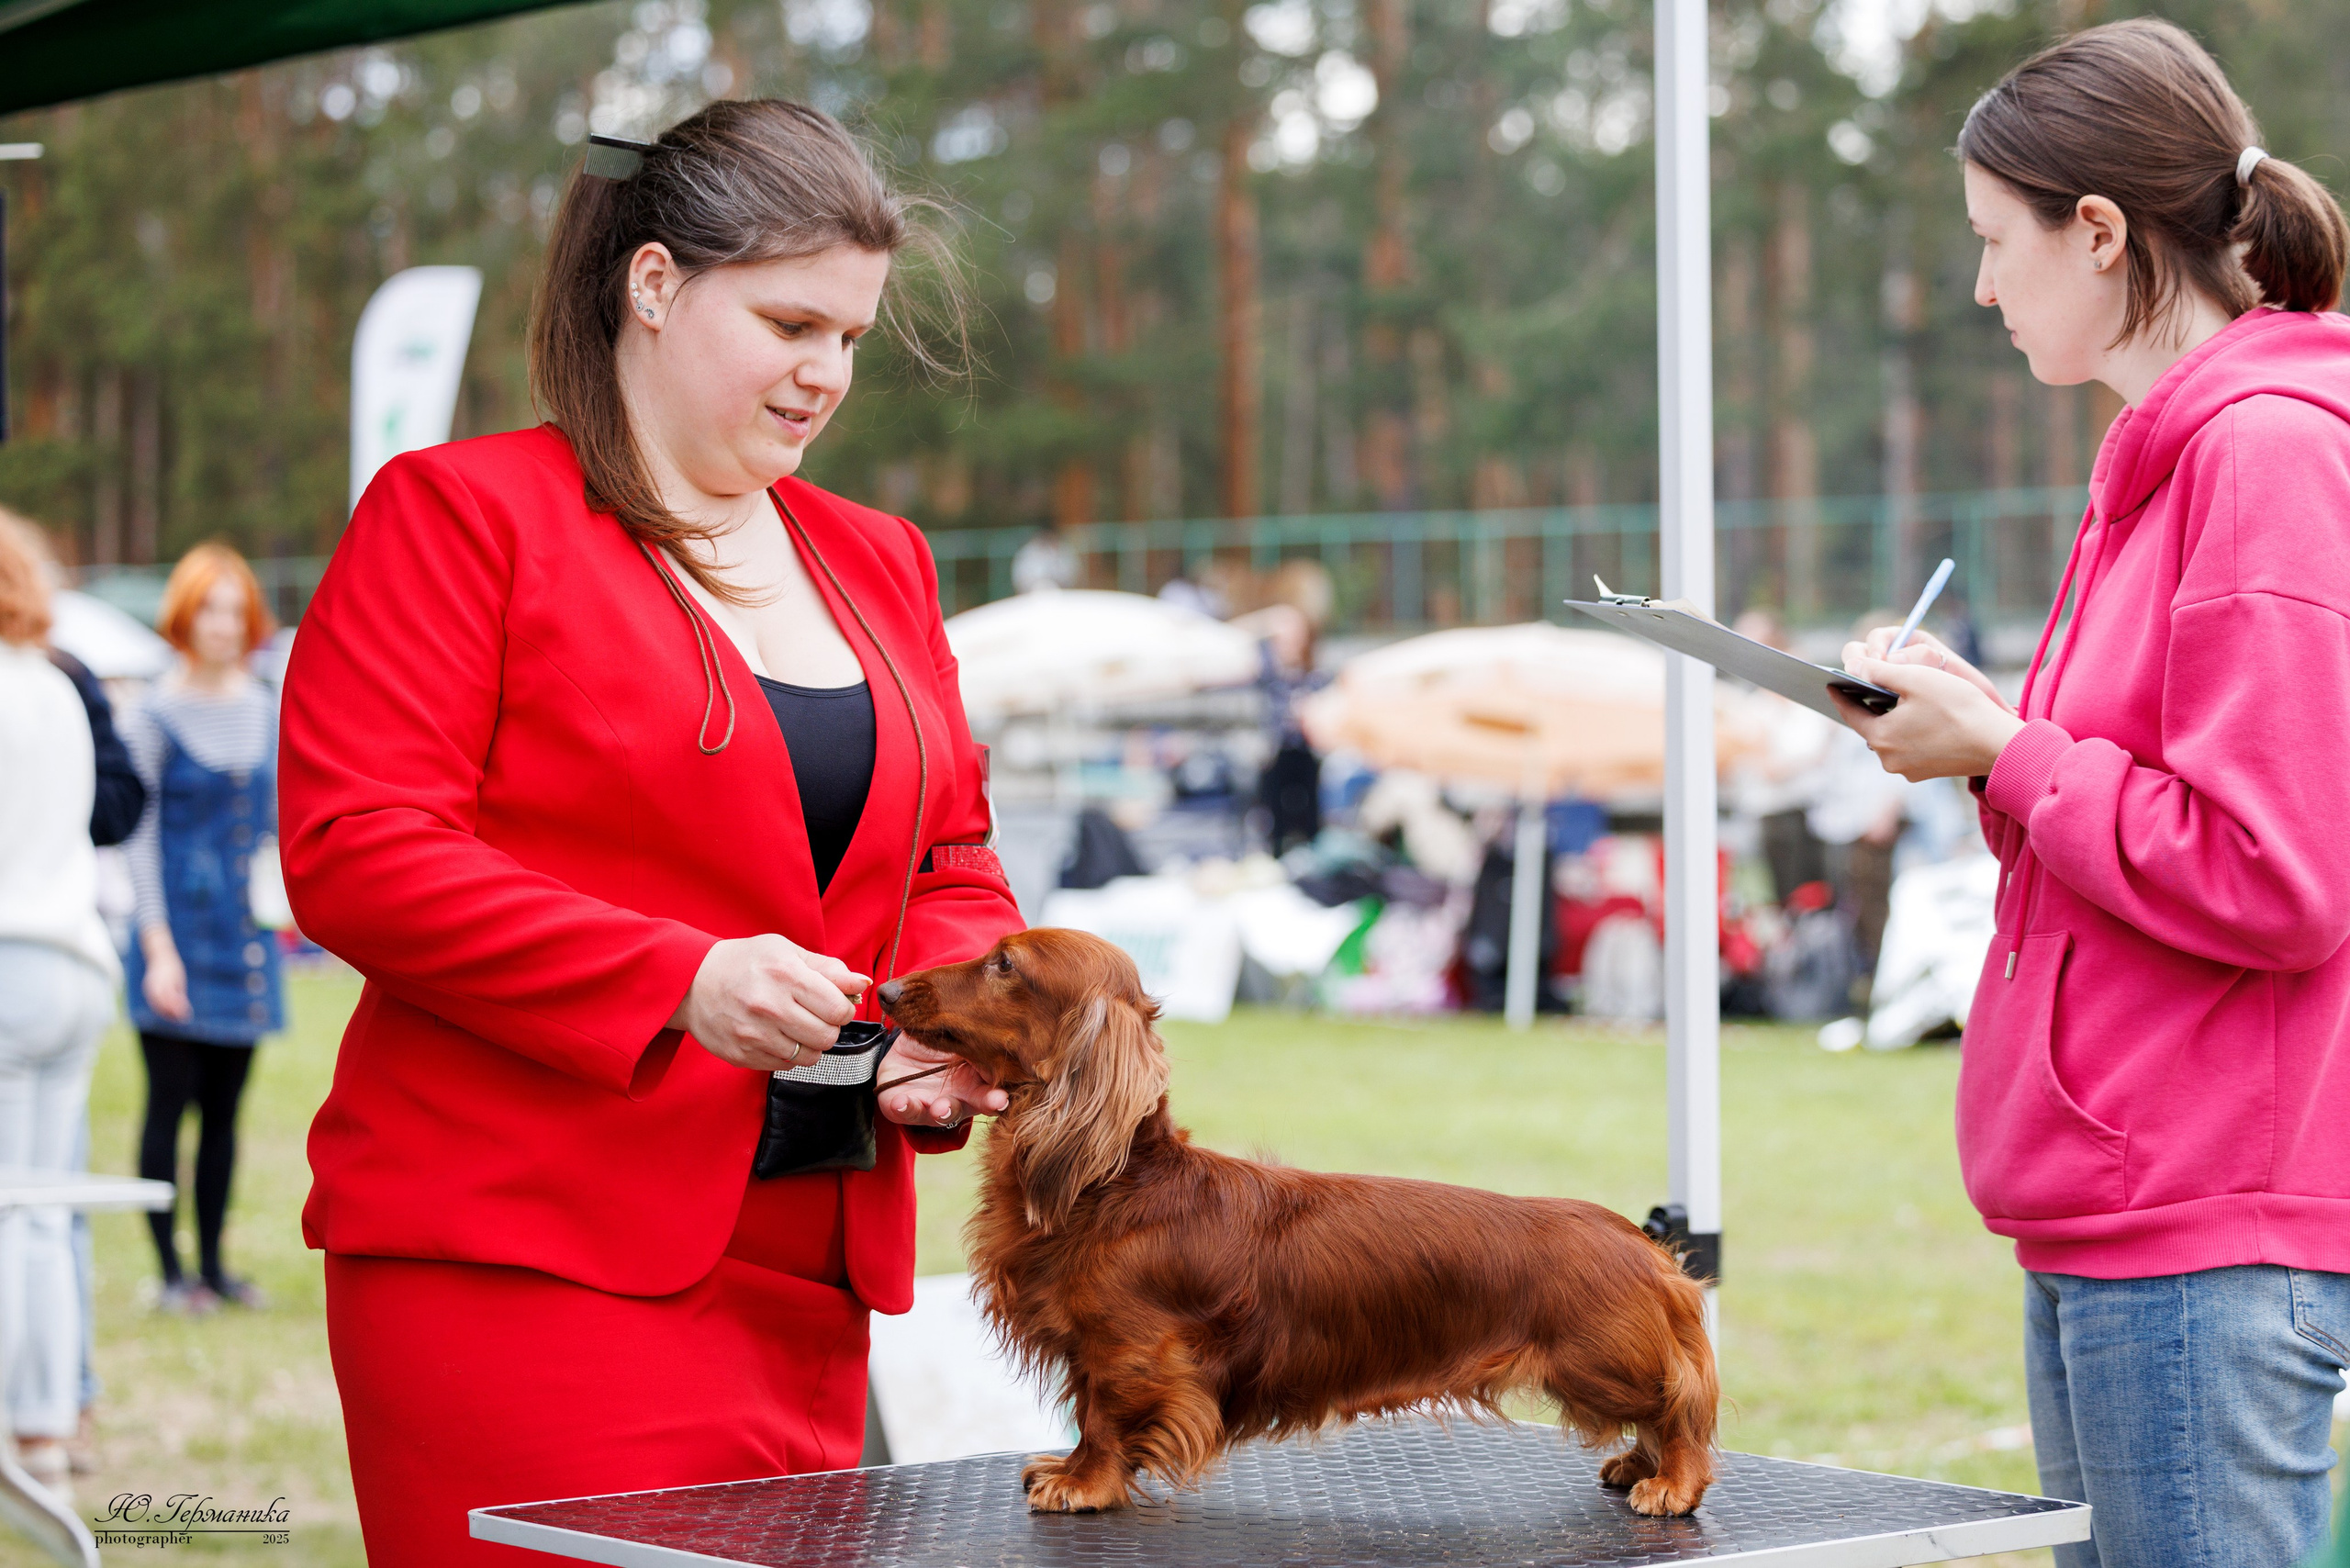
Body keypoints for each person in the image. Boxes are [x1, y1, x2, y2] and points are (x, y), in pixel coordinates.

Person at [278, 102, 1020, 1565]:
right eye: (794, 321)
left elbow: (951, 859)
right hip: (523, 1265)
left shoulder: (882, 556)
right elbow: (359, 846)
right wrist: (677, 979)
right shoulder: (458, 515)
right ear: (657, 283)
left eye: (854, 338)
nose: (827, 374)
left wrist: (949, 1019)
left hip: (812, 1270)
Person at [1836, 21, 2350, 1567]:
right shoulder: (2160, 462)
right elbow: (2131, 805)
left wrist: (2009, 749)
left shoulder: (2259, 457)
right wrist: (1987, 729)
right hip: (2123, 1202)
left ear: (2103, 234)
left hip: (2203, 1220)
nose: (1985, 286)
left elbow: (2279, 874)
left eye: (1998, 243)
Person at [122, 542, 285, 1316]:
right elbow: (139, 836)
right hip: (174, 942)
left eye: (235, 609)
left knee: (225, 1112)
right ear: (184, 615)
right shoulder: (151, 714)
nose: (223, 624)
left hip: (243, 939)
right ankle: (169, 1271)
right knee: (169, 1105)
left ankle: (216, 1267)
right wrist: (157, 949)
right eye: (209, 607)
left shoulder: (268, 710)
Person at [0, 517, 112, 1490]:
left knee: (14, 1205)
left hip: (9, 957)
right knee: (40, 1207)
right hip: (76, 959)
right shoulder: (54, 684)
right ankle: (45, 1421)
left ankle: (29, 1418)